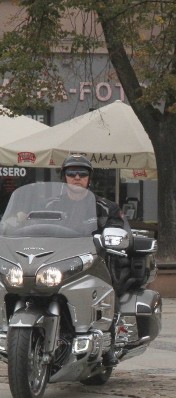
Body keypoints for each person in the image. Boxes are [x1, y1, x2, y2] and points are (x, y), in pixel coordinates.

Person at [57, 154, 130, 368]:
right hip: (60, 262)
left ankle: (109, 345)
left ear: (90, 178)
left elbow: (121, 232)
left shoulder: (106, 208)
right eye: (71, 173)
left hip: (96, 263)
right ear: (64, 177)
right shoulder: (51, 206)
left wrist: (112, 237)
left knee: (108, 288)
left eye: (82, 173)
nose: (77, 177)